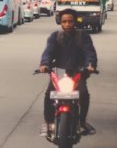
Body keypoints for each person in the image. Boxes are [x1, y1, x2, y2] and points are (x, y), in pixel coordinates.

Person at [39, 8, 98, 137]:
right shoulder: (55, 36)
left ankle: (82, 122)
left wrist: (90, 65)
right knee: (49, 93)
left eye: (70, 21)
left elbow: (90, 53)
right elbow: (48, 52)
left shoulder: (83, 36)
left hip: (78, 73)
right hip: (59, 73)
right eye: (64, 21)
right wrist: (44, 64)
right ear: (60, 22)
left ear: (75, 22)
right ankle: (48, 122)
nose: (67, 24)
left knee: (83, 94)